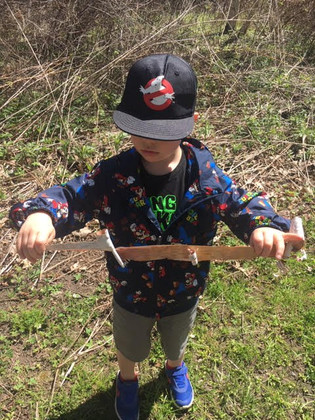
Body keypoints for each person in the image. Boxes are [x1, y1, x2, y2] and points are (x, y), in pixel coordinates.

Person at [9, 54, 300, 420]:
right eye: (139, 127)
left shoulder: (206, 176)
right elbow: (71, 196)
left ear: (191, 124)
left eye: (162, 132)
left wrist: (264, 226)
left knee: (176, 339)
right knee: (129, 344)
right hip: (130, 289)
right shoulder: (112, 176)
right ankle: (127, 379)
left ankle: (175, 367)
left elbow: (242, 204)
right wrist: (41, 214)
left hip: (185, 287)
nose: (148, 140)